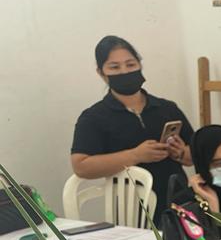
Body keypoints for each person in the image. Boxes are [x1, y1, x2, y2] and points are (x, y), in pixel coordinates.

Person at [71, 36, 194, 212]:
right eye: (114, 67)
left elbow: (195, 156)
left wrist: (181, 153)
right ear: (101, 73)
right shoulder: (93, 117)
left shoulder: (167, 108)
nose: (124, 72)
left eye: (130, 64)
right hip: (130, 209)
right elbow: (81, 167)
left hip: (179, 202)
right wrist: (135, 155)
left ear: (140, 65)